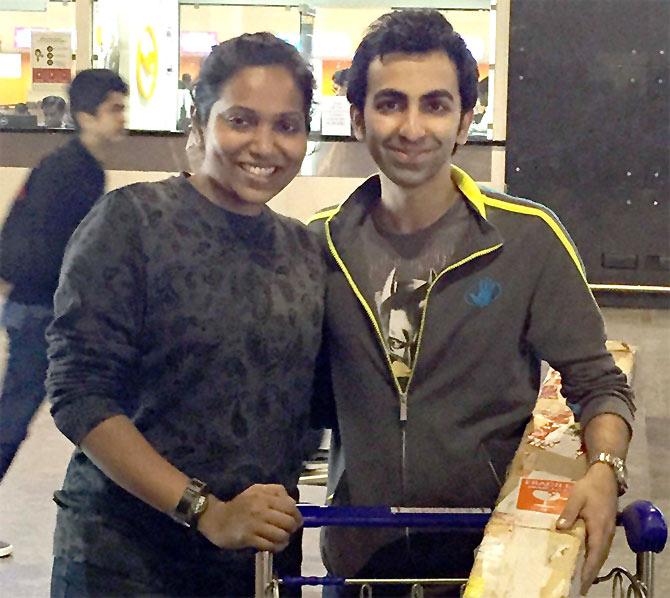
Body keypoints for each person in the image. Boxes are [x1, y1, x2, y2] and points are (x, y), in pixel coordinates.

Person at [309, 10, 634, 597]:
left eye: (434, 105)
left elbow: (599, 382)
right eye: (390, 104)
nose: (413, 127)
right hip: (357, 553)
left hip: (489, 556)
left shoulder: (527, 239)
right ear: (357, 119)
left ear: (465, 120)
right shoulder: (318, 247)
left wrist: (604, 471)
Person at [46, 32, 325, 597]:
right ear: (199, 124)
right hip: (126, 558)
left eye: (286, 125)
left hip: (251, 563)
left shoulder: (304, 251)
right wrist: (206, 510)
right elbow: (80, 393)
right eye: (241, 120)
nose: (264, 144)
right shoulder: (132, 223)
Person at [0, 68, 128, 558]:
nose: (122, 119)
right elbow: (70, 252)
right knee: (23, 414)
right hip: (40, 312)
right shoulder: (78, 172)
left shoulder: (63, 165)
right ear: (85, 115)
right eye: (114, 109)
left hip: (29, 306)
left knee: (31, 411)